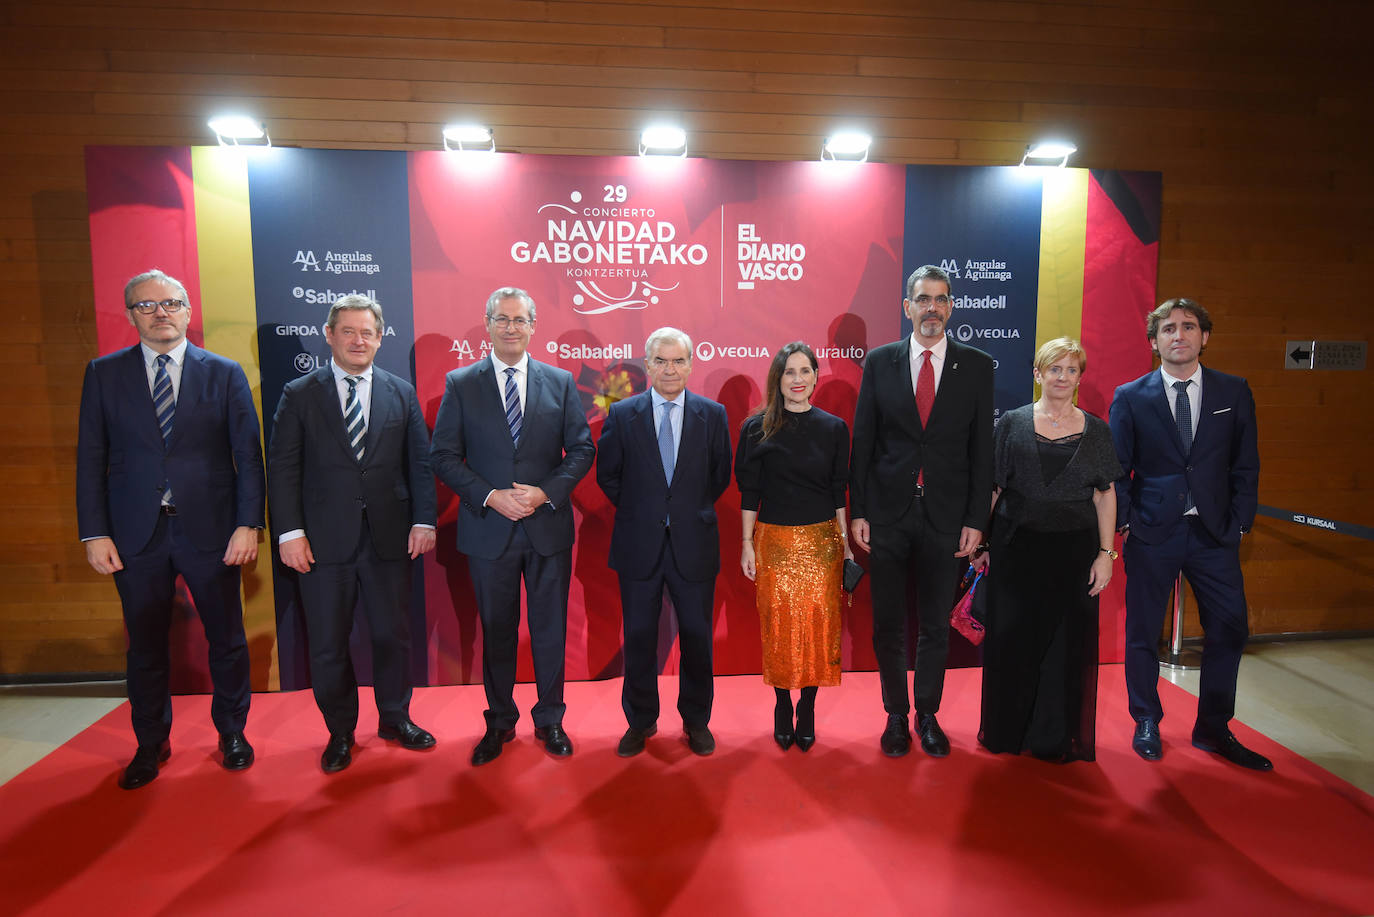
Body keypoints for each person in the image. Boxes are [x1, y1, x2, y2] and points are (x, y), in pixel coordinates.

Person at [76, 269, 265, 789]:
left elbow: (247, 456)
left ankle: (232, 734)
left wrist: (249, 523)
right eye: (147, 305)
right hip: (135, 536)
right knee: (145, 646)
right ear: (131, 314)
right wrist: (94, 532)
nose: (161, 312)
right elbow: (91, 457)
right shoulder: (104, 373)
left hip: (211, 531)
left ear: (187, 310)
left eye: (171, 303)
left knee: (226, 640)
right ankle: (150, 742)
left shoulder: (224, 374)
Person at [268, 294, 438, 773]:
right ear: (329, 335)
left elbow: (419, 465)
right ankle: (340, 731)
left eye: (367, 332)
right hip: (322, 543)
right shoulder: (300, 394)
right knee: (327, 642)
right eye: (348, 331)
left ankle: (394, 717)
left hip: (390, 538)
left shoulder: (400, 391)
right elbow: (283, 469)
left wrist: (424, 519)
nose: (358, 340)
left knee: (392, 635)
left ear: (381, 338)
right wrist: (289, 533)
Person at [430, 287, 595, 765]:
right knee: (497, 631)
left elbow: (581, 449)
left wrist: (546, 492)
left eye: (519, 320)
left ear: (532, 326)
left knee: (549, 631)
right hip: (489, 529)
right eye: (501, 319)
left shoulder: (560, 381)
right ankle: (500, 722)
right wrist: (490, 495)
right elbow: (442, 455)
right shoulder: (462, 383)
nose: (510, 327)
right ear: (487, 324)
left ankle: (551, 720)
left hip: (546, 527)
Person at [1110, 298, 1269, 770]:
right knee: (1142, 632)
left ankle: (1214, 728)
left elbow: (1246, 464)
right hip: (1152, 531)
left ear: (1205, 337)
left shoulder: (1234, 391)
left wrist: (1240, 521)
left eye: (1189, 327)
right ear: (1153, 341)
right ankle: (1146, 720)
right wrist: (1125, 520)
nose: (1178, 335)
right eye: (1168, 329)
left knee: (1230, 627)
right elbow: (1119, 468)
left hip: (1214, 533)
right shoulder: (1131, 395)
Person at [849, 264, 994, 758]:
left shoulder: (976, 366)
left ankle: (927, 714)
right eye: (922, 299)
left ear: (951, 306)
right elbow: (863, 443)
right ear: (906, 306)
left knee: (935, 624)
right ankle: (894, 716)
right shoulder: (880, 362)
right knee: (888, 624)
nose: (932, 308)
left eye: (941, 298)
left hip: (948, 519)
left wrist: (977, 520)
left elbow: (982, 451)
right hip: (887, 516)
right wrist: (860, 510)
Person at [976, 338, 1120, 762]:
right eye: (1054, 369)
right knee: (1011, 641)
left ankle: (1053, 737)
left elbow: (1104, 495)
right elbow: (995, 489)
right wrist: (982, 542)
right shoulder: (1013, 424)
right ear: (1038, 374)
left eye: (1071, 370)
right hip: (1015, 550)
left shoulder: (1097, 431)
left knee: (1064, 646)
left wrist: (1105, 555)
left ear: (1079, 377)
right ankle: (1008, 731)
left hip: (1074, 556)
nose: (1063, 377)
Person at [596, 327, 732, 757]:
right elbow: (608, 476)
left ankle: (696, 720)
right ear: (648, 364)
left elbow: (719, 476)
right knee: (638, 637)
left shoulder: (713, 415)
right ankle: (640, 721)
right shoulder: (622, 415)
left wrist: (683, 513)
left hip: (694, 544)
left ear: (690, 365)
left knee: (696, 638)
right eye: (661, 361)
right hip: (640, 545)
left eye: (678, 361)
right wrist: (647, 511)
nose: (670, 369)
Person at [736, 342, 851, 752]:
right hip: (776, 541)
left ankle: (808, 706)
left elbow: (840, 490)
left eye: (805, 371)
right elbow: (749, 492)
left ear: (816, 377)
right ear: (778, 379)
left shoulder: (834, 428)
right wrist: (746, 544)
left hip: (821, 542)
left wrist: (846, 546)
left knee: (819, 628)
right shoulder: (756, 428)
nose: (798, 380)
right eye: (789, 372)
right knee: (780, 627)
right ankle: (782, 703)